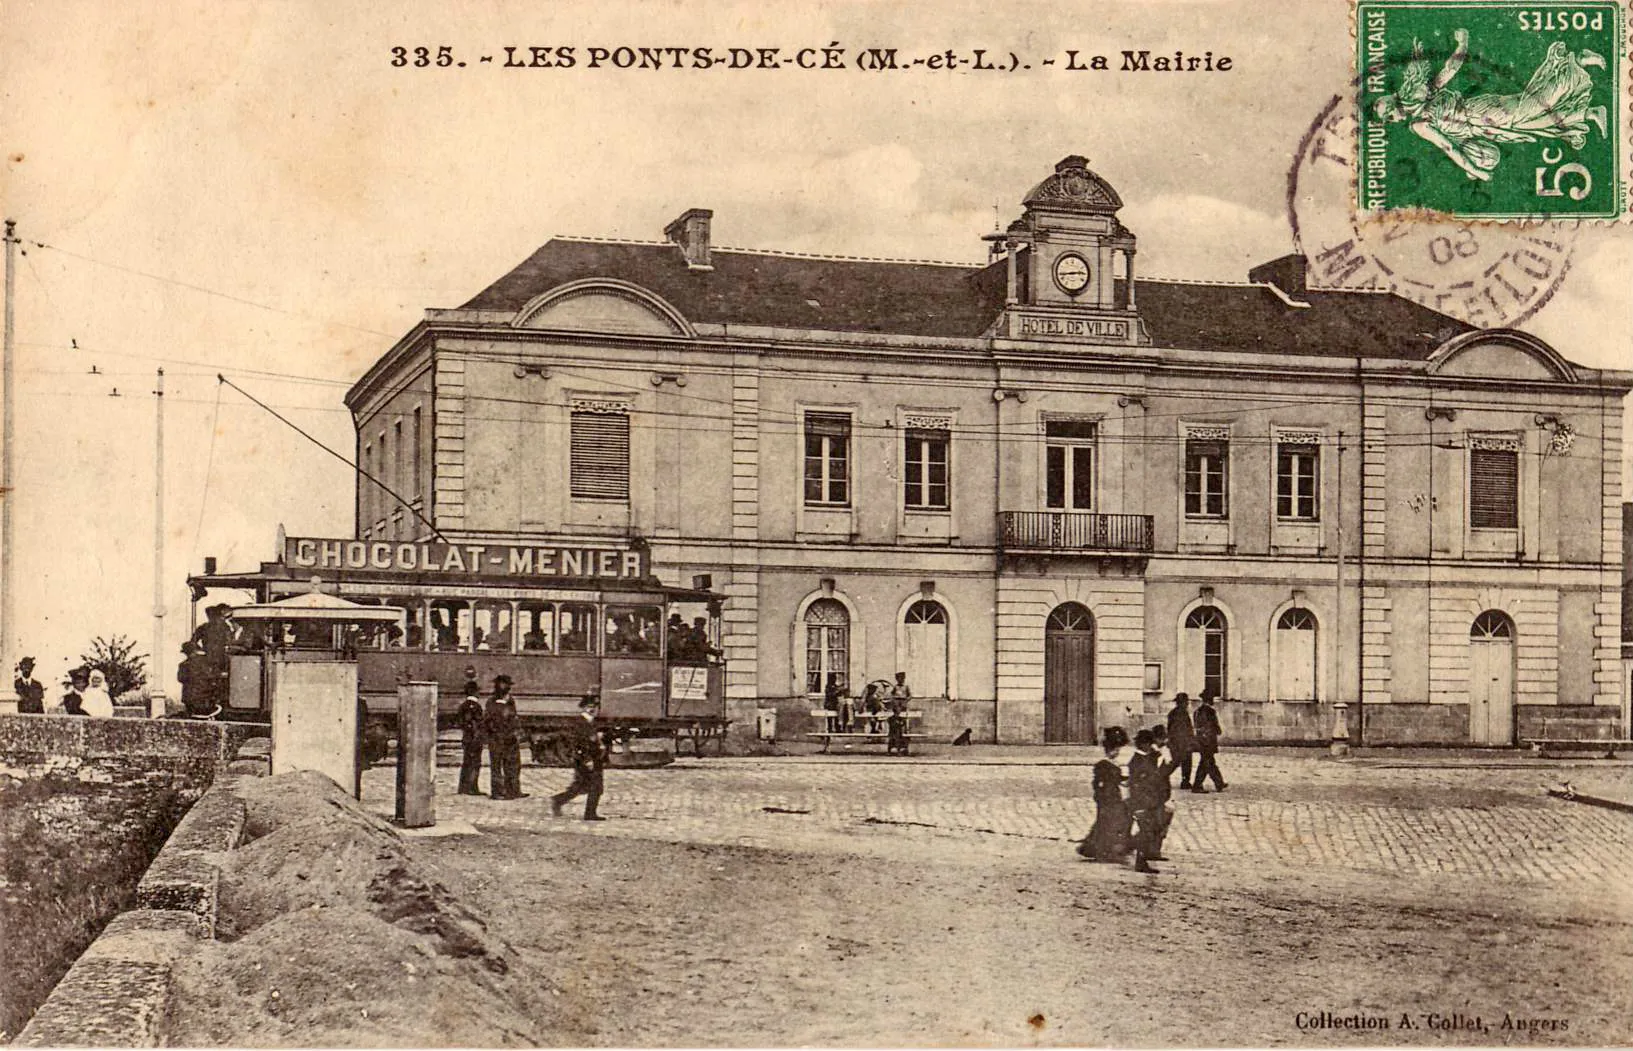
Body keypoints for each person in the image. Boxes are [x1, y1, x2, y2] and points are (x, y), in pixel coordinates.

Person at [1374, 29, 1607, 183]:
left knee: (1532, 108)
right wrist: (1462, 44)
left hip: (1482, 115)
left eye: (1388, 115)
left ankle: (1576, 61)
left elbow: (1449, 148)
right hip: (1480, 119)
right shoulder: (1425, 98)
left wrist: (1478, 172)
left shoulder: (1419, 124)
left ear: (1394, 107)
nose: (1391, 120)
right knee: (1533, 122)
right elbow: (1450, 69)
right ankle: (1588, 112)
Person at [552, 688, 609, 820]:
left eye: (595, 706)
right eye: (589, 707)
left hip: (594, 758)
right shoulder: (581, 723)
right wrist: (587, 759)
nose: (592, 709)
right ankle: (589, 813)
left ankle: (559, 800)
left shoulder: (591, 722)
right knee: (594, 787)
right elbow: (580, 743)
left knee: (582, 786)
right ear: (583, 708)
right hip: (587, 759)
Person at [1078, 726, 1130, 862]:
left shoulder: (1114, 764)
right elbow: (1099, 783)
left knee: (1112, 822)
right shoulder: (1102, 765)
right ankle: (1103, 850)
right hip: (1107, 798)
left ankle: (1106, 849)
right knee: (1107, 823)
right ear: (1108, 750)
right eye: (1114, 750)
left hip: (1115, 796)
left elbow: (1117, 779)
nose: (1116, 752)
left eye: (1117, 750)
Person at [1126, 729, 1165, 873]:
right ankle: (1140, 861)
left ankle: (1137, 852)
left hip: (1149, 801)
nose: (1152, 746)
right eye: (1150, 744)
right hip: (1141, 802)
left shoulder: (1146, 758)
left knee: (1150, 829)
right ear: (1144, 744)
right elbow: (1137, 785)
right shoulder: (1137, 761)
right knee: (1145, 831)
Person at [484, 675, 525, 800]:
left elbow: (514, 718)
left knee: (513, 764)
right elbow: (490, 720)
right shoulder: (491, 702)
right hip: (497, 738)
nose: (506, 687)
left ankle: (513, 790)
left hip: (509, 738)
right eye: (504, 684)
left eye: (507, 685)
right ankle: (497, 792)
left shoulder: (510, 700)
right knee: (496, 765)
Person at [1191, 688, 1227, 793]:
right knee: (1206, 763)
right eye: (1211, 698)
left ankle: (1219, 782)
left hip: (1201, 740)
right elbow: (1214, 727)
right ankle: (1197, 786)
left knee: (1210, 762)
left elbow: (1197, 726)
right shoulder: (1210, 711)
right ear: (1209, 699)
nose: (1213, 700)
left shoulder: (1197, 711)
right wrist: (1217, 730)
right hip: (1208, 741)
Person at [456, 680, 487, 795]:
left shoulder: (463, 706)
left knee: (467, 762)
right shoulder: (475, 706)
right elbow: (474, 723)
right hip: (474, 738)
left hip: (467, 737)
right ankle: (472, 788)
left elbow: (462, 722)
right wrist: (478, 736)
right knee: (474, 763)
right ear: (474, 692)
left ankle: (464, 787)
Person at [177, 642, 218, 718]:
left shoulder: (183, 665)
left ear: (186, 653)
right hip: (206, 697)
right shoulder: (207, 663)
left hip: (189, 697)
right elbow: (212, 677)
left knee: (192, 718)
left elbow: (180, 679)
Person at [1166, 692, 1196, 790]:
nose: (1187, 704)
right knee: (1180, 762)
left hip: (1177, 742)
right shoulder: (1181, 713)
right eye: (1186, 702)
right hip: (1181, 743)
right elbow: (1182, 729)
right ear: (1182, 702)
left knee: (1179, 762)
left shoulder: (1174, 713)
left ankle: (1185, 781)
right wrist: (1189, 741)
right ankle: (1161, 777)